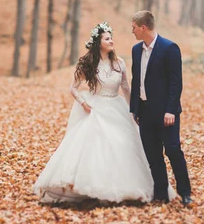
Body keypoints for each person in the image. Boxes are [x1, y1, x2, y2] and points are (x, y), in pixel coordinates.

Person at [33, 22, 162, 203]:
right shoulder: (88, 64)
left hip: (117, 108)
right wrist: (83, 103)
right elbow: (74, 88)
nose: (111, 41)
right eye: (107, 38)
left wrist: (135, 109)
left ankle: (125, 187)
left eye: (111, 38)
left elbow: (125, 87)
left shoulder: (119, 63)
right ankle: (94, 187)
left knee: (123, 144)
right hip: (97, 108)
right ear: (98, 42)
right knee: (97, 147)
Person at [130, 11, 193, 206]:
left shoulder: (169, 48)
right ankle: (161, 194)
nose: (132, 31)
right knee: (153, 154)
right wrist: (135, 109)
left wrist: (171, 110)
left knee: (173, 150)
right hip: (145, 112)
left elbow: (176, 83)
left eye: (134, 28)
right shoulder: (135, 50)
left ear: (143, 28)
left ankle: (185, 192)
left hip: (166, 113)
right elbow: (136, 80)